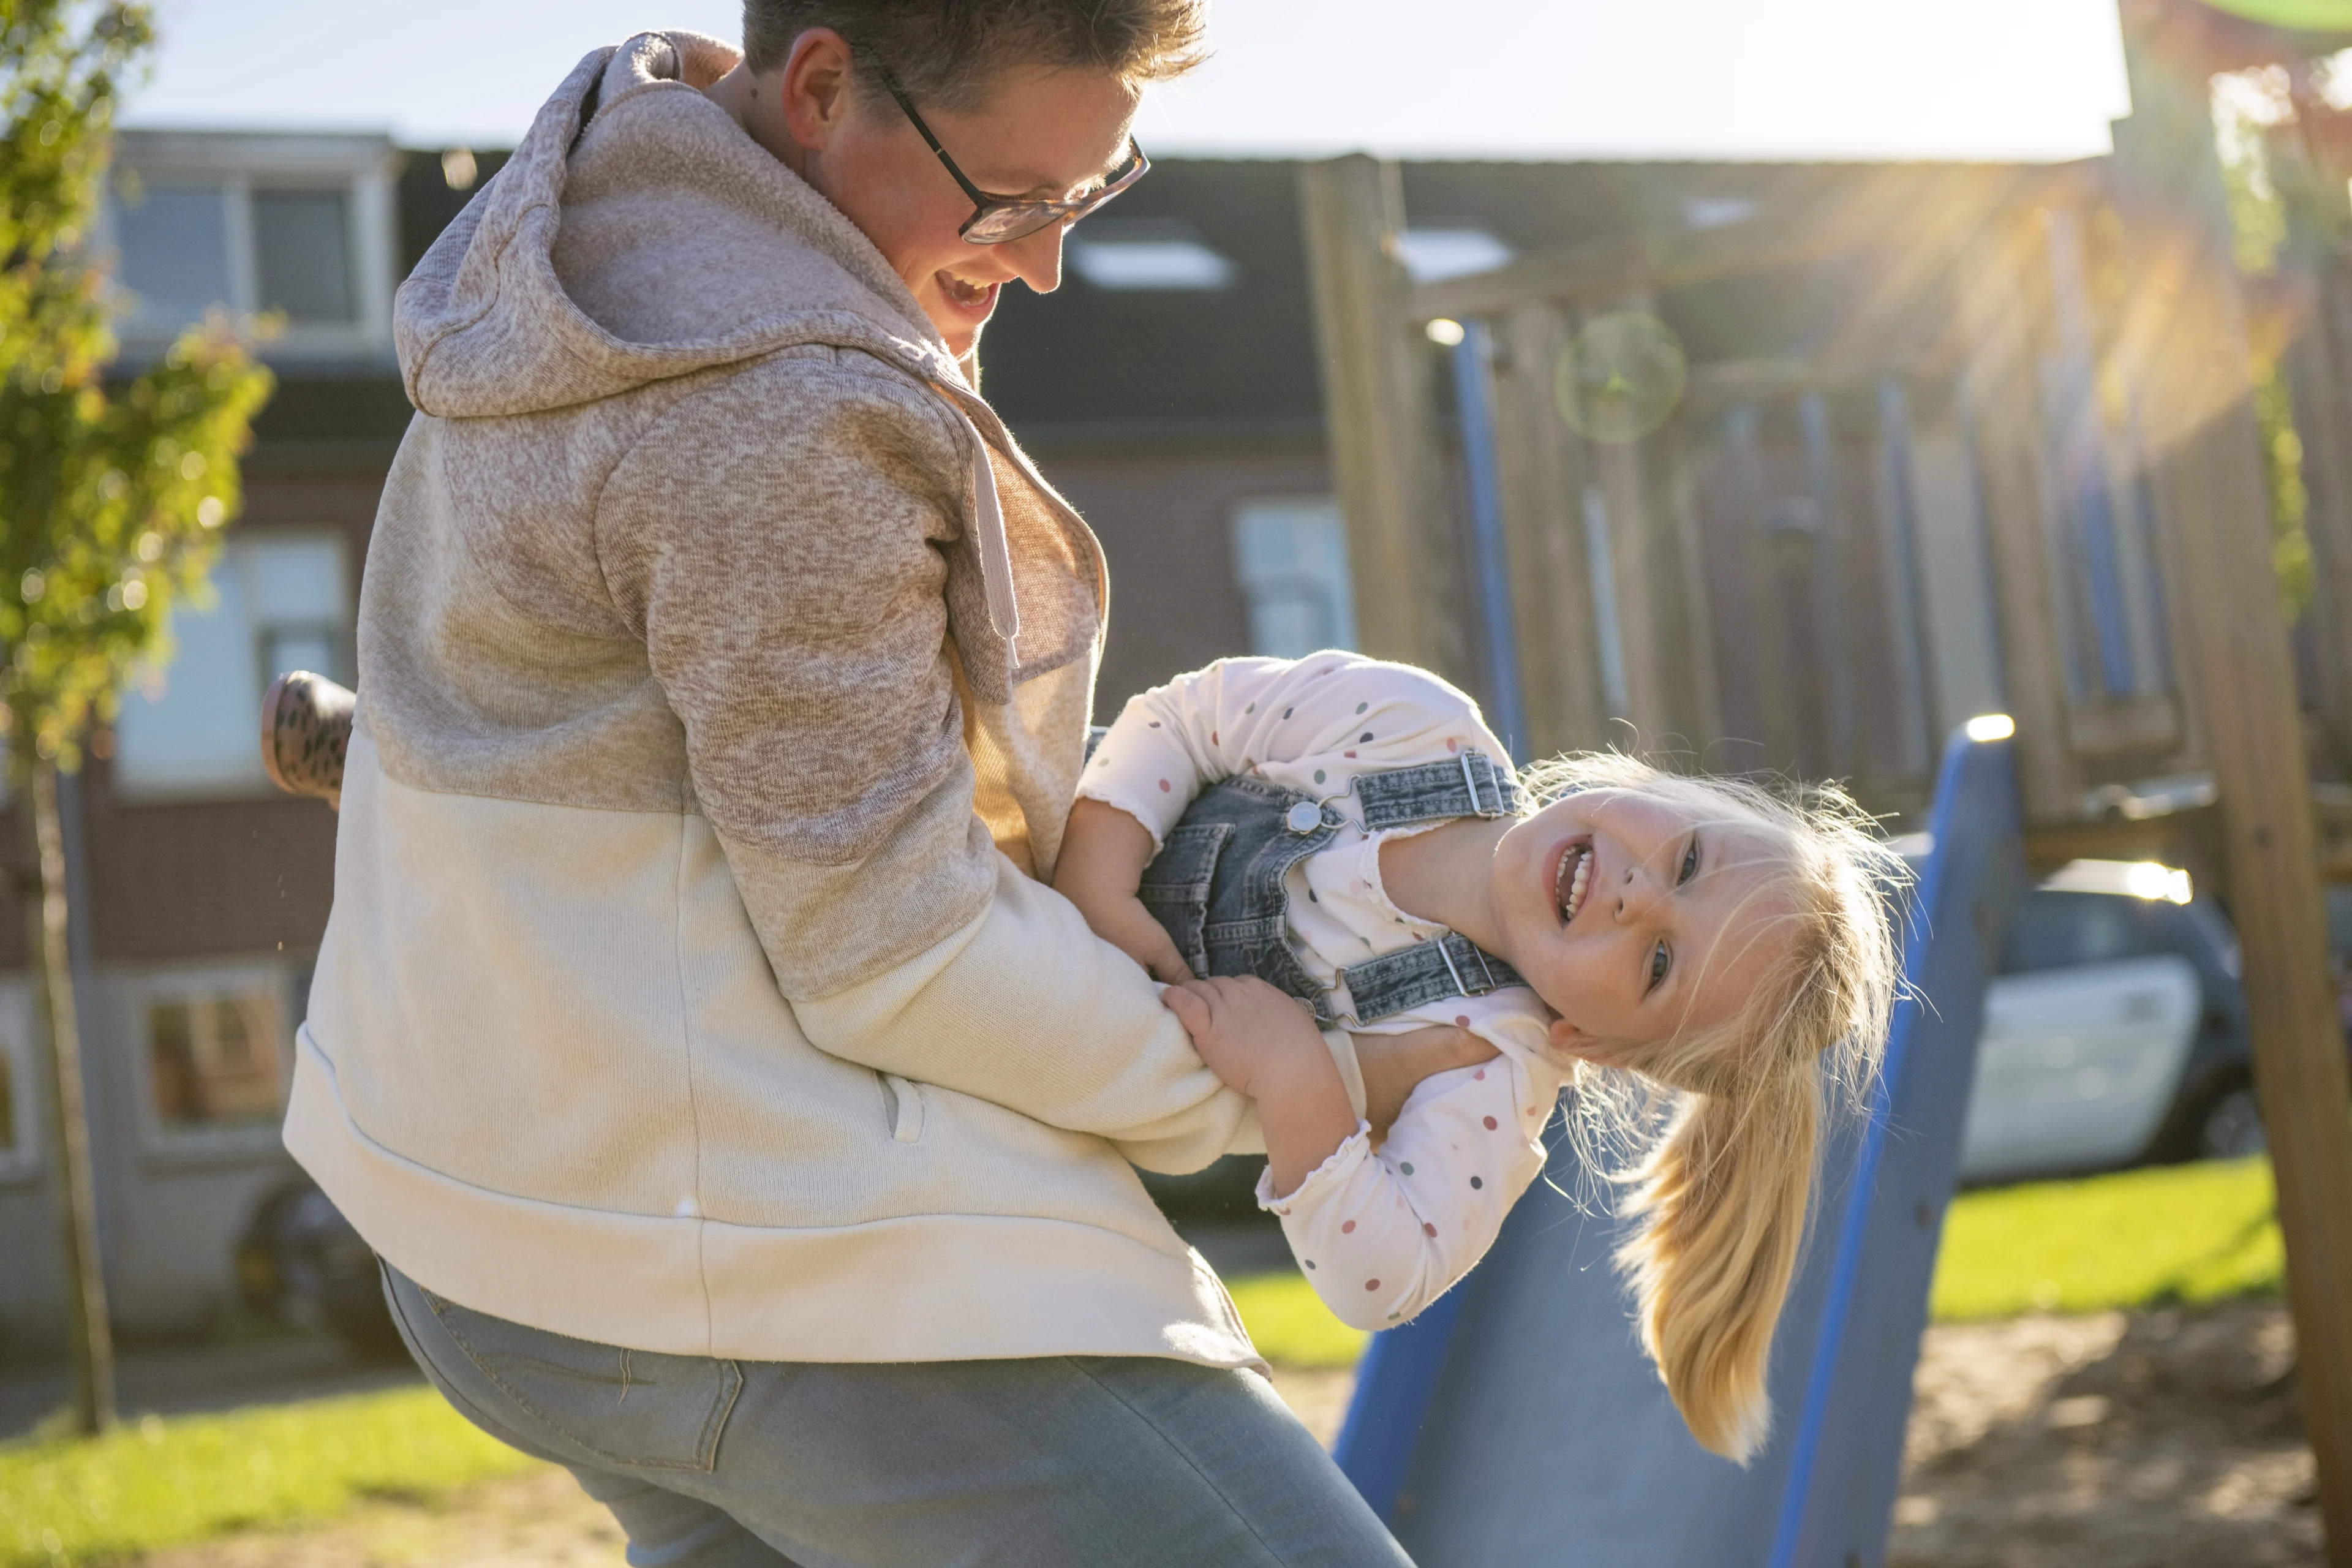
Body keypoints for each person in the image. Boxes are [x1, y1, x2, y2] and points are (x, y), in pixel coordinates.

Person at [278, 10, 1474, 1566]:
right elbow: (902, 954)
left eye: (1092, 189)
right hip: (738, 1250)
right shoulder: (773, 413)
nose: (1045, 262)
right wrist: (1296, 1081)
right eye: (1009, 199)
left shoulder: (583, 259)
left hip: (481, 1219)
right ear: (825, 88)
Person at [1054, 652, 1910, 1463]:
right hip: (1043, 816)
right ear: (1653, 784)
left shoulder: (1491, 1065)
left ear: (1597, 1046)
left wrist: (1295, 1078)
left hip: (1072, 1038)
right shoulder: (1416, 727)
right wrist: (1097, 874)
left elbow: (1383, 1282)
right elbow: (1188, 716)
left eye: (1659, 964)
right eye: (1687, 861)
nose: (1637, 897)